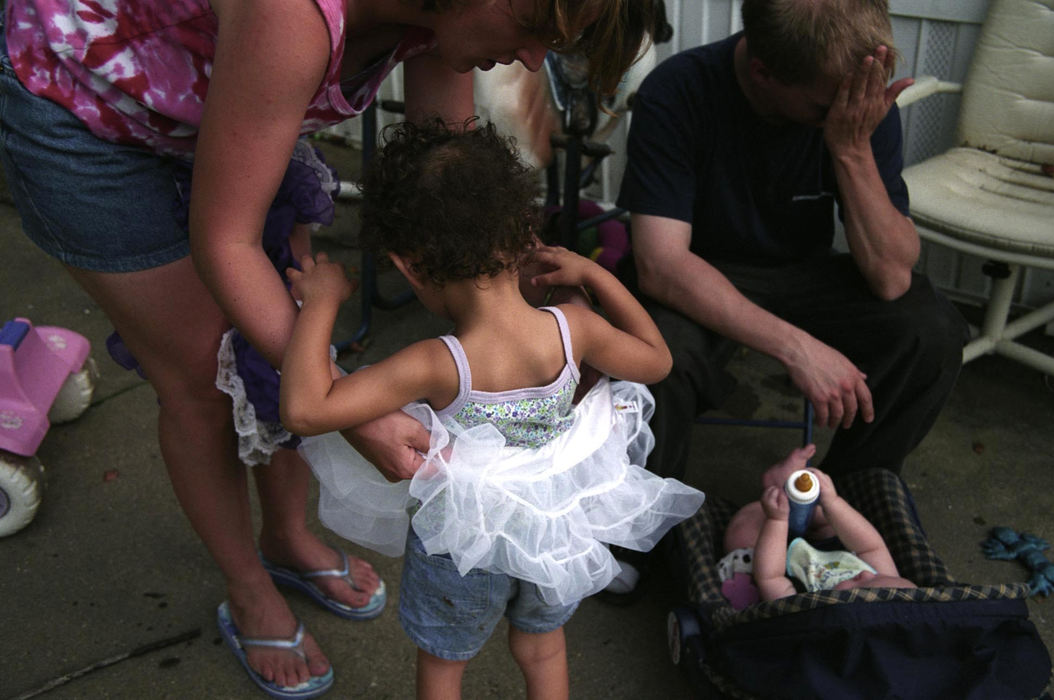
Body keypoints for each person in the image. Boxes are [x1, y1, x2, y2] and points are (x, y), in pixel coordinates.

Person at [0, 0, 657, 696]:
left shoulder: (435, 363)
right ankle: (250, 587)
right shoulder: (290, 16)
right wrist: (575, 280)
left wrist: (324, 306)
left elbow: (448, 166)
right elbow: (230, 243)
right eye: (533, 33)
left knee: (276, 329)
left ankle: (286, 537)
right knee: (200, 375)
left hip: (241, 104)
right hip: (93, 110)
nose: (532, 62)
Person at [279, 119, 703, 699]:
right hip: (554, 530)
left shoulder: (436, 363)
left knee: (445, 665)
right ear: (522, 231)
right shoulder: (573, 328)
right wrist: (594, 274)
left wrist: (319, 304)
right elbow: (657, 361)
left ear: (408, 266)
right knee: (542, 648)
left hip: (466, 541)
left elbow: (305, 410)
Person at [609, 0, 968, 598]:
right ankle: (639, 536)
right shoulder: (679, 90)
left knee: (930, 331)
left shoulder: (853, 102)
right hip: (699, 269)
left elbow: (891, 277)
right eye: (826, 108)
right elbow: (662, 265)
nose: (847, 114)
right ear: (762, 73)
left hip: (800, 272)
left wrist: (850, 148)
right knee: (653, 355)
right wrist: (799, 349)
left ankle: (841, 506)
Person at [721, 444, 915, 604]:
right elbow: (871, 546)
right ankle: (792, 488)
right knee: (827, 520)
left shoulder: (806, 607)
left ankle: (778, 493)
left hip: (777, 560)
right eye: (875, 576)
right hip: (828, 544)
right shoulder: (883, 580)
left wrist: (776, 520)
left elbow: (770, 578)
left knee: (741, 532)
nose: (865, 573)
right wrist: (833, 503)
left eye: (861, 587)